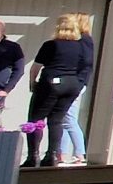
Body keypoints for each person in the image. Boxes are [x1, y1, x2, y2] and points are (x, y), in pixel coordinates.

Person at [21, 14, 95, 168]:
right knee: (56, 120)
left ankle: (33, 157)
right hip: (72, 84)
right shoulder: (81, 46)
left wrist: (33, 84)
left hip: (52, 81)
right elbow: (85, 65)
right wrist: (80, 84)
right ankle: (52, 155)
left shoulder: (51, 45)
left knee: (36, 119)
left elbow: (35, 68)